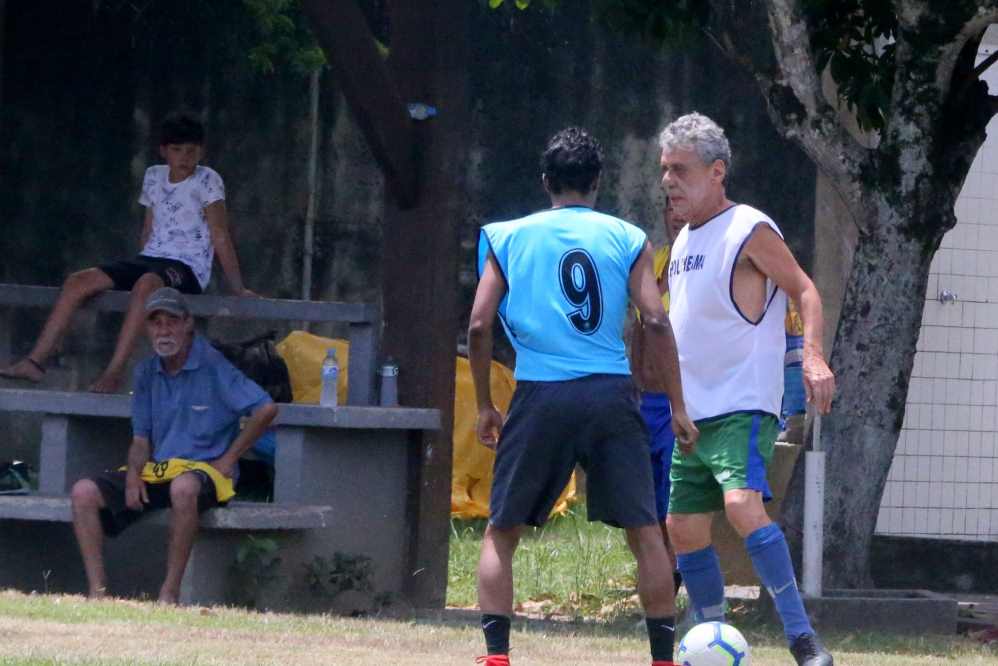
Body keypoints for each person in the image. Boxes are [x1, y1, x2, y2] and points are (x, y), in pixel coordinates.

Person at [468, 127, 698, 666]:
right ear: (598, 181)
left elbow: (479, 325)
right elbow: (656, 319)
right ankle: (662, 659)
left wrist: (484, 403)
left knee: (502, 529)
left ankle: (497, 657)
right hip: (610, 394)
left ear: (546, 181)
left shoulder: (507, 236)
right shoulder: (627, 236)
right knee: (644, 529)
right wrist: (680, 406)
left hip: (540, 392)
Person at [659, 113, 835, 666]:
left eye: (680, 170)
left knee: (741, 506)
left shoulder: (750, 228)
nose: (668, 181)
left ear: (717, 172)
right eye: (664, 169)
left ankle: (802, 639)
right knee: (681, 526)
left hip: (742, 405)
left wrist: (812, 356)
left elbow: (805, 291)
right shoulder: (683, 237)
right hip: (692, 412)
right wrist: (676, 403)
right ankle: (709, 636)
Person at [1, 111, 256, 393]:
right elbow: (148, 228)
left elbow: (220, 234)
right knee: (79, 281)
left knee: (146, 284)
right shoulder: (154, 176)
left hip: (186, 267)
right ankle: (35, 362)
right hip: (150, 259)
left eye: (191, 151)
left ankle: (114, 373)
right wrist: (134, 264)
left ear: (202, 151)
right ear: (163, 151)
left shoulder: (208, 180)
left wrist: (238, 288)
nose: (184, 158)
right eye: (177, 150)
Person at [69, 287, 277, 603]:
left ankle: (169, 592)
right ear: (146, 328)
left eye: (172, 321)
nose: (164, 330)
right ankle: (97, 593)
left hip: (206, 472)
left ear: (188, 323)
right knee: (83, 491)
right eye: (156, 323)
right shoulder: (146, 372)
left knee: (183, 488)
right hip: (162, 469)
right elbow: (141, 439)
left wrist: (229, 458)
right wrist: (133, 474)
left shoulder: (212, 364)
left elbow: (266, 409)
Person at [628, 198, 687, 588]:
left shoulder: (707, 262)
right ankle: (659, 587)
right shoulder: (655, 261)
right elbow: (638, 329)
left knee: (677, 503)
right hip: (643, 402)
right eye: (667, 205)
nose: (675, 214)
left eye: (682, 203)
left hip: (679, 404)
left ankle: (683, 585)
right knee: (641, 503)